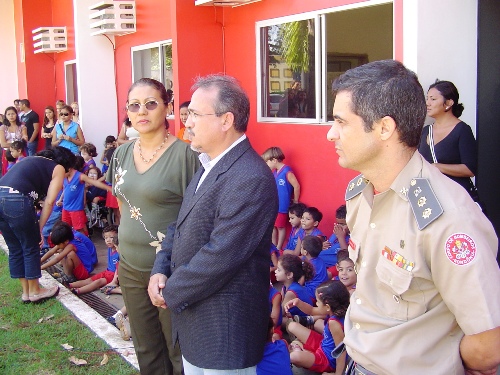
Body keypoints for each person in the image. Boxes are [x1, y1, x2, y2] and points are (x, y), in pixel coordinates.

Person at [327, 59, 500, 374]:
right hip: (358, 361)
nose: (331, 134)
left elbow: (490, 342)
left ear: (384, 128)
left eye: (341, 122)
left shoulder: (447, 218)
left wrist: (442, 363)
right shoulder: (359, 193)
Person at [149, 74, 278, 374]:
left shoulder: (250, 178)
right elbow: (178, 226)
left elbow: (220, 256)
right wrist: (159, 270)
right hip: (198, 323)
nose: (186, 122)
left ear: (226, 120)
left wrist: (169, 290)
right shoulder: (209, 164)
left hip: (225, 333)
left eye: (194, 114)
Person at [107, 77, 200, 375]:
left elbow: (197, 218)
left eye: (151, 103)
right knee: (146, 347)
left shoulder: (187, 156)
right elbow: (123, 205)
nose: (142, 111)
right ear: (127, 111)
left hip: (169, 270)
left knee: (177, 349)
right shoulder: (121, 154)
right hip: (130, 267)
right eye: (135, 105)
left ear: (168, 108)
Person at [0, 146, 76, 303]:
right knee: (31, 246)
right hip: (16, 199)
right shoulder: (58, 168)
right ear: (66, 163)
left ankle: (26, 292)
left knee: (15, 248)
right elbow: (49, 202)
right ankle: (35, 291)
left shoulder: (31, 160)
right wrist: (39, 229)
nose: (67, 175)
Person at [418, 80, 479, 199]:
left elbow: (470, 169)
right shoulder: (426, 131)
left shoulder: (462, 130)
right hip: (432, 198)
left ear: (449, 103)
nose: (427, 103)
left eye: (433, 99)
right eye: (427, 98)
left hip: (456, 197)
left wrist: (437, 167)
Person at [285, 280, 349, 375]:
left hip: (326, 359)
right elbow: (311, 310)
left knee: (294, 357)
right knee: (292, 326)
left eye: (318, 302)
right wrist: (298, 302)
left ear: (327, 306)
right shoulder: (335, 310)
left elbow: (341, 352)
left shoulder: (334, 324)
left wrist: (337, 374)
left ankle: (300, 348)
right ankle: (300, 347)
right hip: (323, 343)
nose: (316, 304)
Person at [262, 146, 301, 250]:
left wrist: (296, 201)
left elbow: (296, 186)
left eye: (267, 162)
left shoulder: (287, 171)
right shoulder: (275, 172)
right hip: (273, 205)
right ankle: (273, 245)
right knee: (273, 226)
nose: (266, 164)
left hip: (282, 205)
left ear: (274, 160)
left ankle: (279, 247)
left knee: (280, 226)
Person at [60, 157, 111, 236]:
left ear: (69, 168)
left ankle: (85, 245)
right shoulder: (64, 177)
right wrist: (60, 199)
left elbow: (95, 183)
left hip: (76, 209)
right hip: (65, 208)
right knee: (66, 228)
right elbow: (65, 190)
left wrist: (109, 189)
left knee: (80, 229)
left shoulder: (80, 176)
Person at [68, 225, 119, 294]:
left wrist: (114, 281)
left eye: (111, 237)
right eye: (106, 238)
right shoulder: (110, 248)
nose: (108, 240)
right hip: (107, 272)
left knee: (98, 282)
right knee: (89, 280)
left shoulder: (119, 252)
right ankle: (69, 285)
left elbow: (118, 269)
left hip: (113, 276)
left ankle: (78, 291)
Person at [275, 254, 314, 320]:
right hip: (293, 316)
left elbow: (280, 313)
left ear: (289, 275)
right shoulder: (285, 287)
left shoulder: (291, 292)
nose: (275, 272)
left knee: (276, 320)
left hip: (303, 320)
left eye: (279, 270)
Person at [318, 204, 349, 275]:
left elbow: (346, 257)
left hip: (333, 266)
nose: (339, 226)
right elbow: (329, 246)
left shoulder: (352, 237)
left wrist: (341, 237)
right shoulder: (336, 234)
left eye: (343, 224)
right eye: (338, 223)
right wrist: (322, 246)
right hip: (318, 260)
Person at [1, 106, 28, 175]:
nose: (11, 116)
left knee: (22, 172)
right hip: (8, 153)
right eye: (8, 114)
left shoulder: (22, 126)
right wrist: (17, 144)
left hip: (19, 152)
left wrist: (24, 138)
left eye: (13, 114)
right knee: (9, 173)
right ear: (6, 116)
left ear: (16, 114)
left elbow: (24, 139)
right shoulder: (3, 127)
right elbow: (3, 144)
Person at [301, 235, 328, 301]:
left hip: (312, 293)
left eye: (301, 247)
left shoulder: (309, 264)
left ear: (305, 252)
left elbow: (301, 281)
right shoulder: (320, 260)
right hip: (323, 290)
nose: (300, 248)